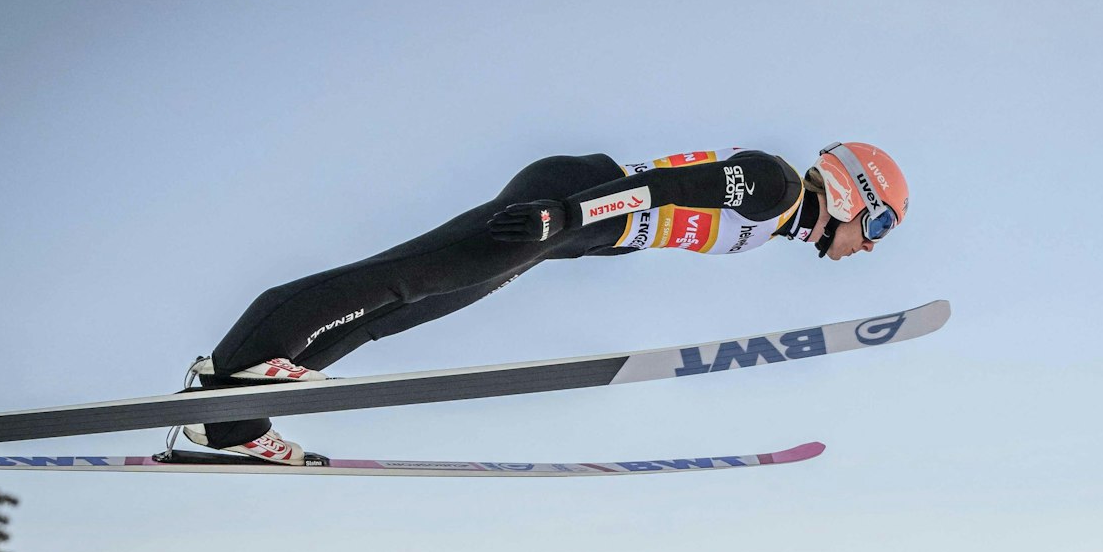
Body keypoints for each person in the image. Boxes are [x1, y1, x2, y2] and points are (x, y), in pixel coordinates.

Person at [182, 142, 911, 463]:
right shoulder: (776, 185)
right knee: (414, 274)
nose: (869, 244)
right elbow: (662, 191)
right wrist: (563, 216)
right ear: (853, 194)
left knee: (415, 304)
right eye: (876, 225)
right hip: (573, 199)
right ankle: (239, 370)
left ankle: (237, 416)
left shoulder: (780, 218)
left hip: (578, 227)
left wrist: (570, 232)